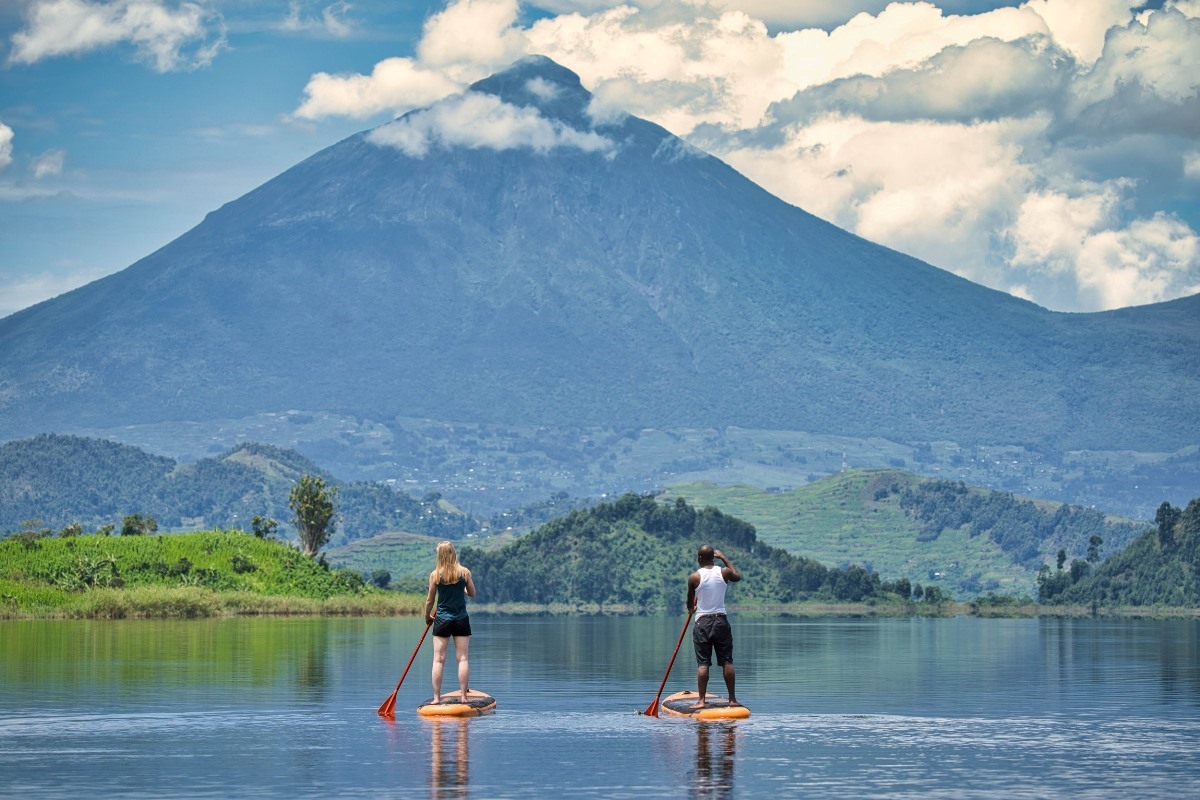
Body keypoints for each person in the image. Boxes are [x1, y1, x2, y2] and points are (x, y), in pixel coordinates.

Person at [685, 544, 741, 709]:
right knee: (727, 661)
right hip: (721, 621)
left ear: (699, 558)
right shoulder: (724, 572)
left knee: (703, 664)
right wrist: (724, 558)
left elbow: (689, 602)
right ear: (714, 557)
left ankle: (701, 701)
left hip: (703, 622)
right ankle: (732, 700)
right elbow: (737, 576)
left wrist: (690, 609)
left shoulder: (694, 577)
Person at [425, 540, 477, 704]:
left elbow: (430, 601)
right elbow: (472, 593)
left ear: (440, 556)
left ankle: (436, 698)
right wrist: (461, 587)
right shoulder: (465, 572)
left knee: (438, 659)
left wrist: (427, 616)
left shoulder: (435, 575)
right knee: (462, 658)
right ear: (453, 553)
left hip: (442, 620)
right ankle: (463, 697)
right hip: (461, 619)